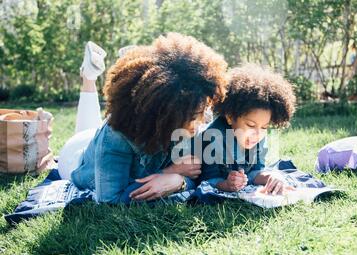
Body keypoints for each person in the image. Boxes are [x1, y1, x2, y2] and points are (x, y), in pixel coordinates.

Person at [58, 33, 228, 204]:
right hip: (73, 159)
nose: (199, 125)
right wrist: (170, 174)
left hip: (99, 140)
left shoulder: (185, 124)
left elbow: (197, 179)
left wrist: (180, 181)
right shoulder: (115, 137)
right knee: (92, 131)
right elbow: (110, 200)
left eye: (202, 112)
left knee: (95, 129)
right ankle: (89, 76)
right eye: (192, 117)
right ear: (164, 113)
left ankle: (99, 73)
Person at [198, 64, 296, 195]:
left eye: (264, 127)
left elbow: (256, 170)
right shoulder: (212, 136)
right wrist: (226, 184)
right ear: (230, 117)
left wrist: (271, 177)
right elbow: (207, 179)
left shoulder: (258, 136)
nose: (257, 133)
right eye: (250, 125)